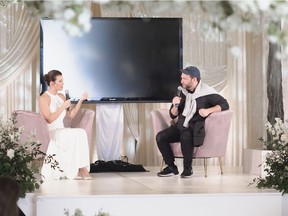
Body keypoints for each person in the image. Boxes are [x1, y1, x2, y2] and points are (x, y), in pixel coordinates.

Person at [156, 66, 229, 178]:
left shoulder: (207, 93)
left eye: (184, 79)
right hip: (180, 126)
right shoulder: (181, 92)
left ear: (194, 79)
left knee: (185, 136)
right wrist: (175, 105)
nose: (181, 81)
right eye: (181, 78)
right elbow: (172, 114)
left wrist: (209, 110)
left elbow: (225, 104)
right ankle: (171, 167)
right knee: (161, 136)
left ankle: (187, 169)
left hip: (193, 128)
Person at [39, 69, 91, 180]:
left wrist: (80, 100)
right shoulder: (44, 98)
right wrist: (62, 107)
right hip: (53, 132)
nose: (63, 84)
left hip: (62, 130)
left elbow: (71, 115)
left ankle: (80, 168)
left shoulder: (61, 97)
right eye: (60, 81)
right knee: (75, 134)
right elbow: (49, 119)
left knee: (81, 132)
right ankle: (81, 169)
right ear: (52, 83)